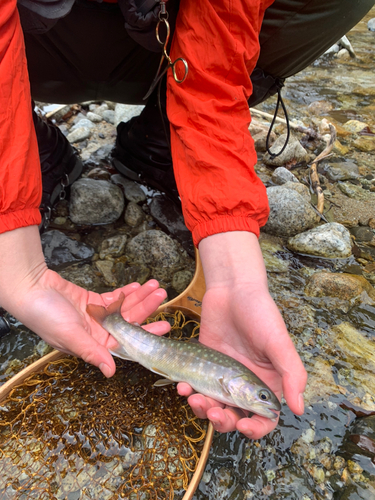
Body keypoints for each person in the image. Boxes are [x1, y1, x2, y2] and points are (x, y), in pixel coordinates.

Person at [0, 0, 373, 440]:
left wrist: (237, 281)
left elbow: (215, 68)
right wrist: (16, 267)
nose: (256, 399)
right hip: (37, 47)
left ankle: (161, 140)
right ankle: (33, 149)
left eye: (254, 397)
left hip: (156, 48)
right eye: (256, 397)